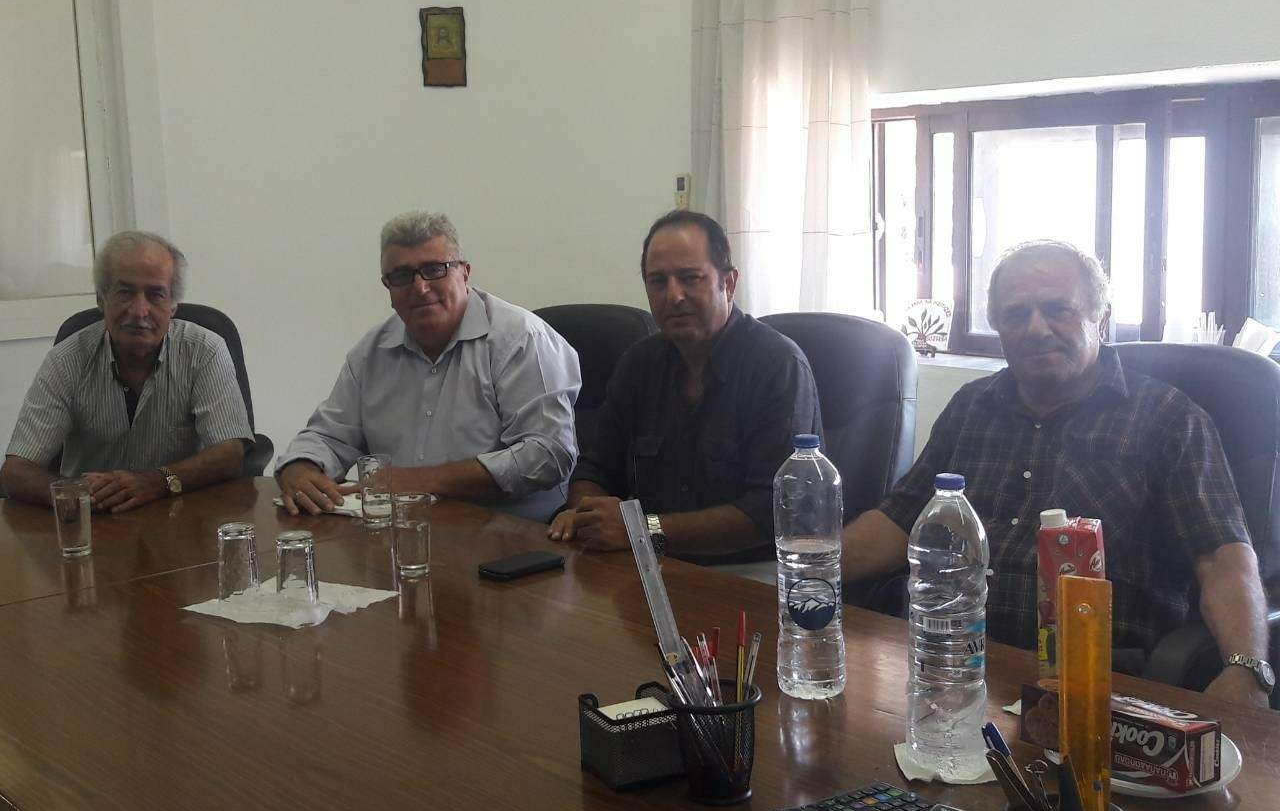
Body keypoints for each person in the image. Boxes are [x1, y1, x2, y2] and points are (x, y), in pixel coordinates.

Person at [841, 240, 1273, 707]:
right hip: (948, 663)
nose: (1036, 329)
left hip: (1094, 684)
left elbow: (1222, 556)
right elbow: (899, 521)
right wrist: (808, 570)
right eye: (1015, 315)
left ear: (1101, 318)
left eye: (1057, 310)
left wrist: (1246, 670)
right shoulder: (971, 407)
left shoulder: (1169, 420)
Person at [548, 210, 821, 564]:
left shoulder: (778, 366)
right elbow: (595, 469)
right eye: (658, 282)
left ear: (729, 283)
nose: (673, 296)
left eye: (690, 278)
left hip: (752, 570)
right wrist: (587, 514)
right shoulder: (639, 363)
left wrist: (641, 531)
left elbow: (769, 513)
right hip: (649, 563)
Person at [275, 211, 580, 522]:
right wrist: (300, 466)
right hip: (401, 531)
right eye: (401, 276)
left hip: (511, 533)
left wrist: (423, 480)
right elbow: (329, 435)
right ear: (388, 287)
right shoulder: (372, 352)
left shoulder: (521, 339)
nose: (419, 288)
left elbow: (548, 453)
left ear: (465, 273)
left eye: (434, 270)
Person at [2, 232, 252, 511]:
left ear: (172, 305)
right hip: (93, 518)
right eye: (125, 292)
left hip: (179, 515)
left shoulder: (204, 351)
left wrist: (157, 481)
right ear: (101, 299)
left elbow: (230, 454)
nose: (139, 310)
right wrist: (79, 494)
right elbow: (16, 470)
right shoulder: (67, 360)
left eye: (155, 295)